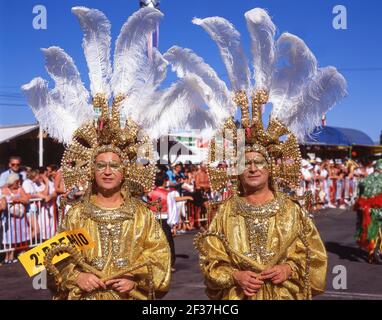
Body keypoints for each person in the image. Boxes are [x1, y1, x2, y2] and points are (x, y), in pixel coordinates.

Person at [21, 6, 176, 300]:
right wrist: (76, 276)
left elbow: (160, 262)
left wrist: (136, 280)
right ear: (90, 169)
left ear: (126, 170)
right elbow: (56, 259)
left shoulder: (141, 216)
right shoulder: (78, 215)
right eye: (101, 165)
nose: (107, 171)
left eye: (114, 166)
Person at [191, 7, 344, 300]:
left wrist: (288, 269)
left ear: (272, 167)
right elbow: (210, 259)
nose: (252, 168)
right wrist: (234, 275)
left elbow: (313, 256)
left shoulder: (292, 211)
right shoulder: (226, 212)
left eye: (258, 161)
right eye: (245, 162)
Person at [355, 159, 382, 263]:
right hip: (379, 209)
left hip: (366, 210)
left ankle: (372, 253)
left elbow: (358, 197)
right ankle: (378, 251)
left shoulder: (364, 180)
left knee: (370, 231)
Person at [1, 173, 29, 263]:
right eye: (17, 181)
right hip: (9, 219)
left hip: (20, 219)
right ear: (13, 182)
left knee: (21, 236)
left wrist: (19, 200)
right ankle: (8, 257)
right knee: (9, 237)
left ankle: (19, 255)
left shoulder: (20, 189)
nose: (19, 183)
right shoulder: (4, 190)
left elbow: (27, 200)